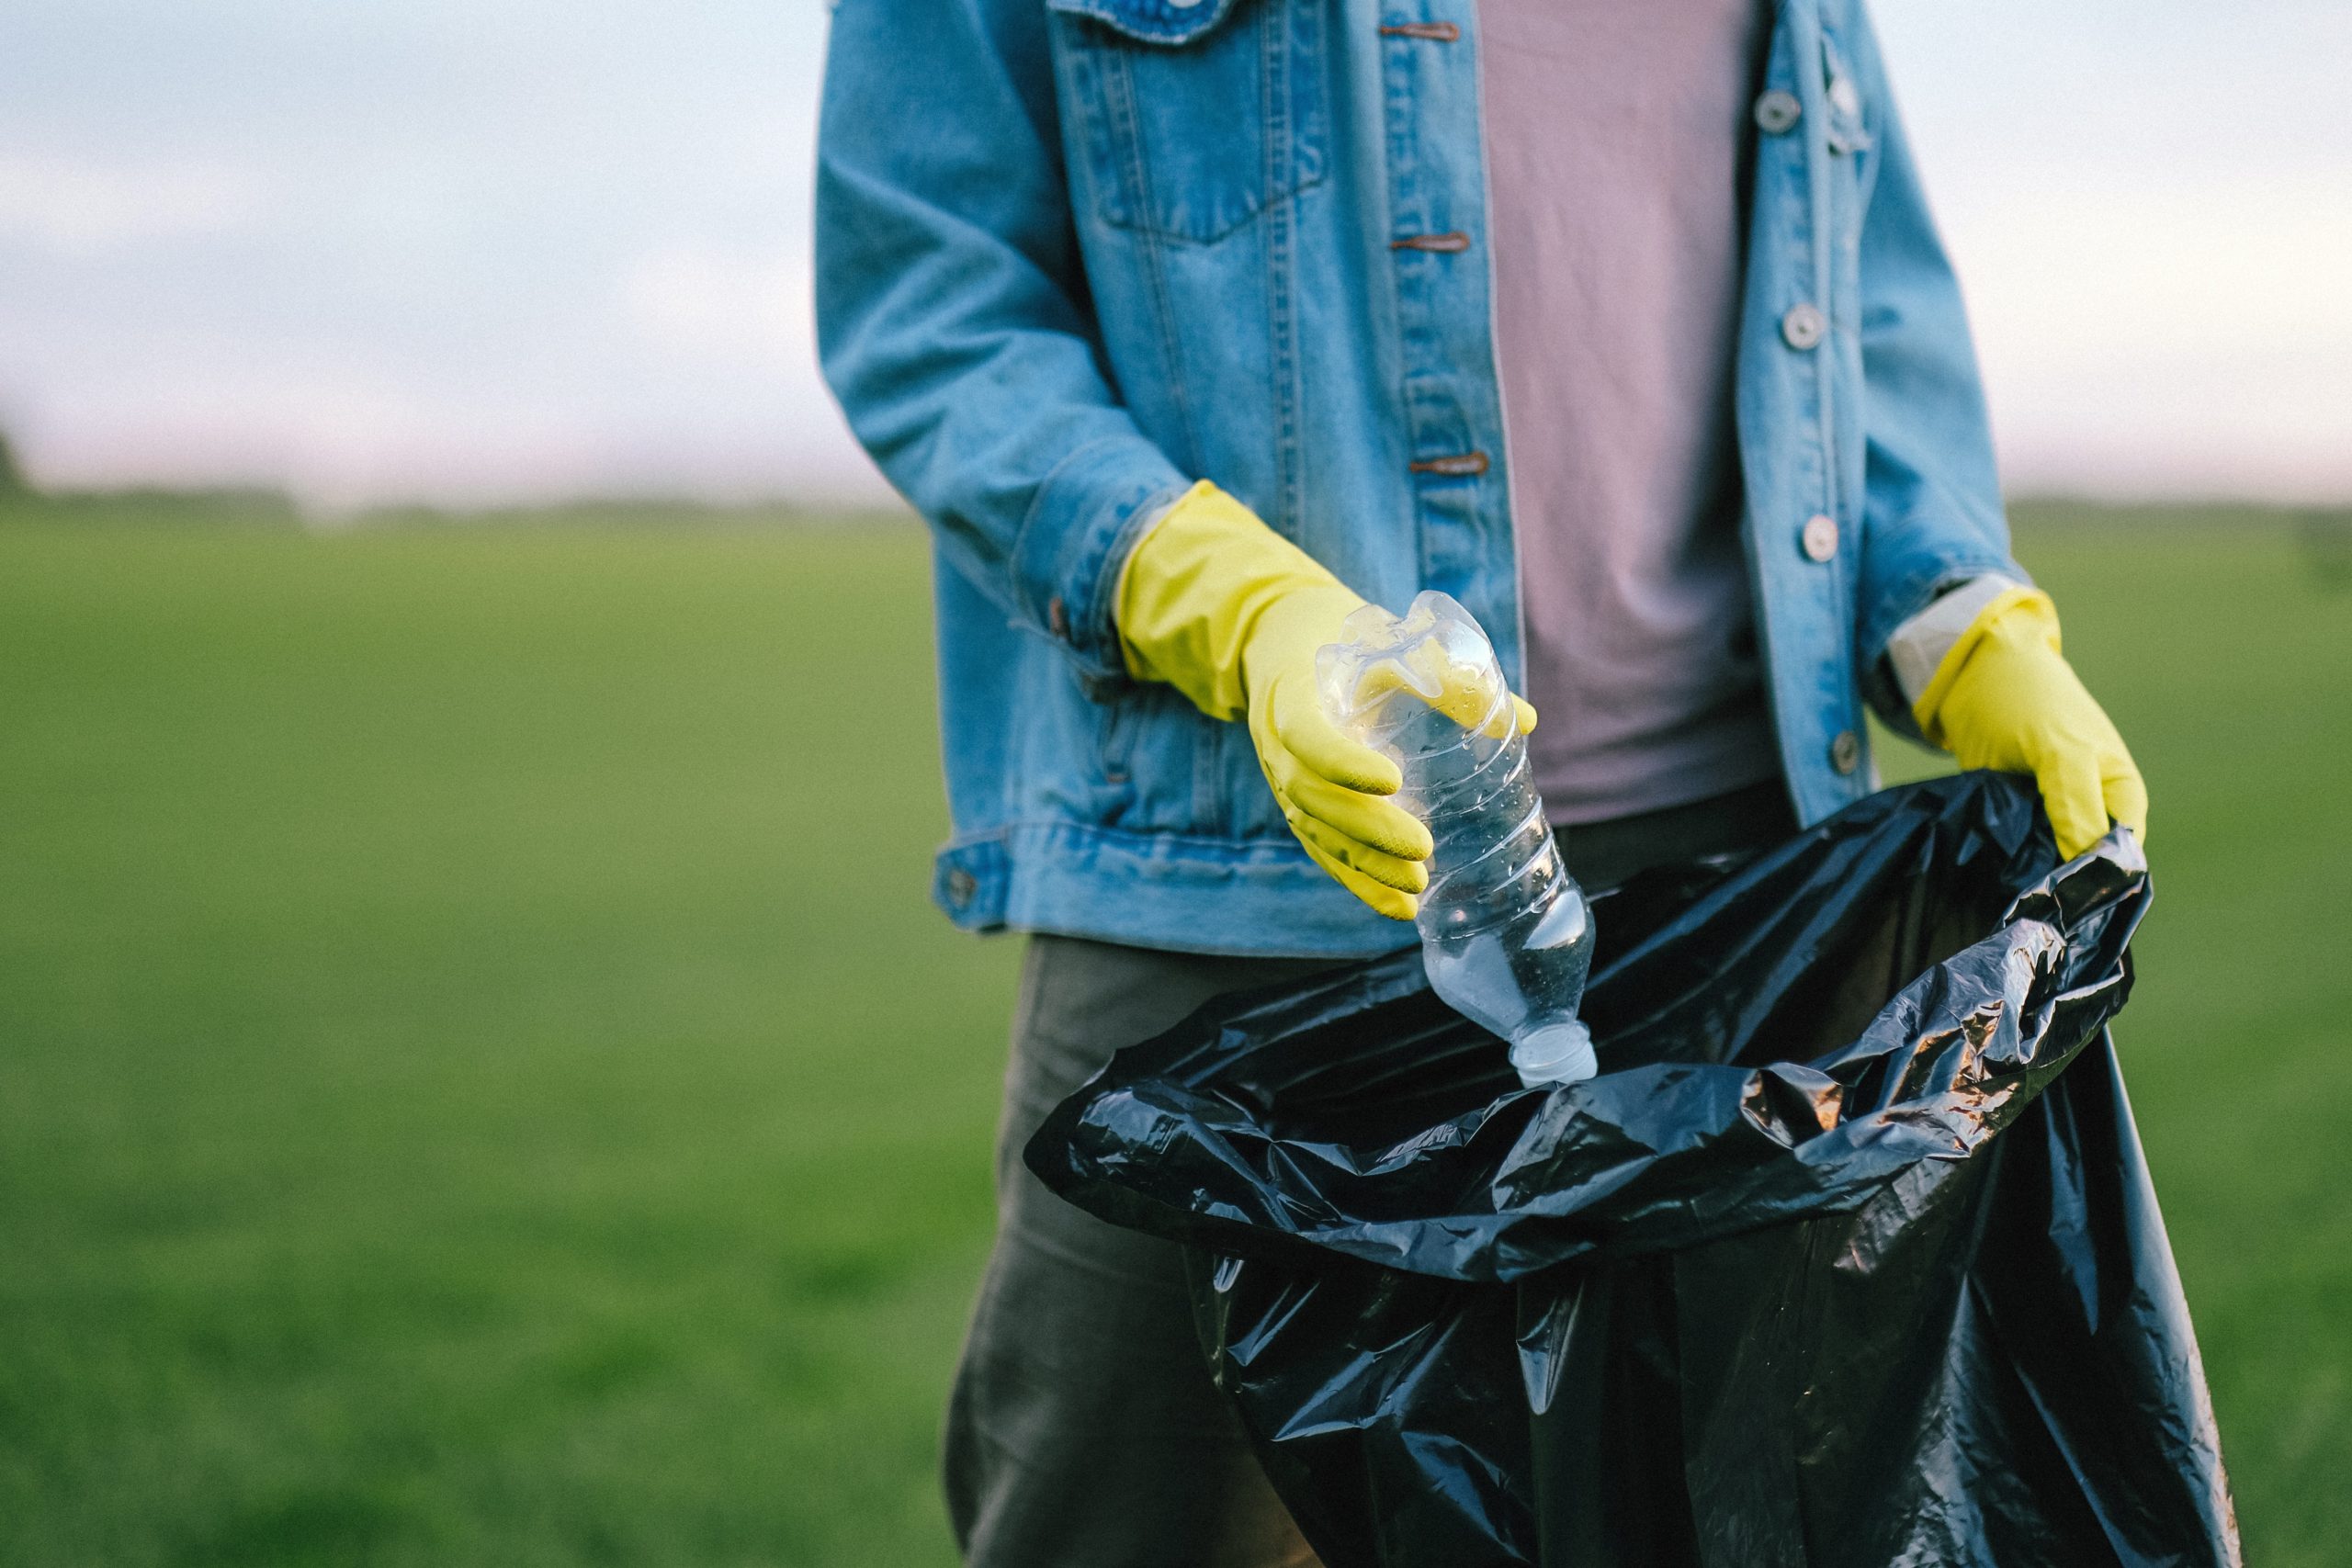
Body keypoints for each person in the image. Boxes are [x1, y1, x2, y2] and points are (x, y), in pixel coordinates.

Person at [815, 0, 2147, 1562]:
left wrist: (1959, 617)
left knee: (1709, 1521)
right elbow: (934, 302)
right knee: (1134, 1527)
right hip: (1232, 881)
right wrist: (1242, 612)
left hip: (1732, 895)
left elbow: (1860, 300)